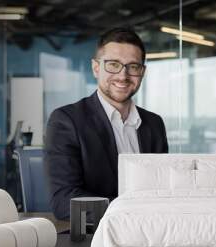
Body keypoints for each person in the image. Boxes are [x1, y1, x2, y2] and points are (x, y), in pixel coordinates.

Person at [44, 28, 169, 220]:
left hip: (152, 231)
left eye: (133, 67)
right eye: (113, 65)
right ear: (96, 68)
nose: (123, 76)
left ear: (142, 72)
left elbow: (163, 191)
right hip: (96, 239)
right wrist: (134, 210)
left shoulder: (154, 124)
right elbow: (64, 202)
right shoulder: (67, 121)